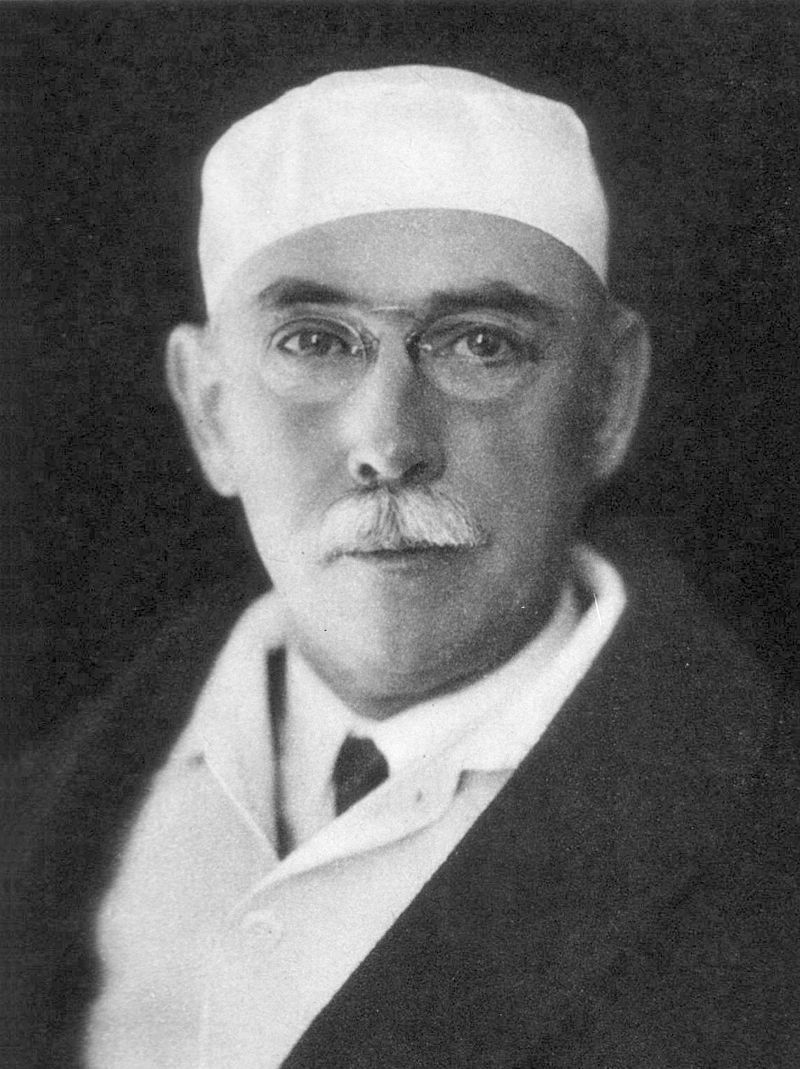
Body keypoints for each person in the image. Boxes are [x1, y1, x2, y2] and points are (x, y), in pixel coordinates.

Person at [3, 66, 798, 1069]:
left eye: (481, 345)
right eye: (312, 341)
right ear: (209, 409)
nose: (386, 443)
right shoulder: (43, 820)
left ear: (606, 397)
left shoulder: (770, 856)